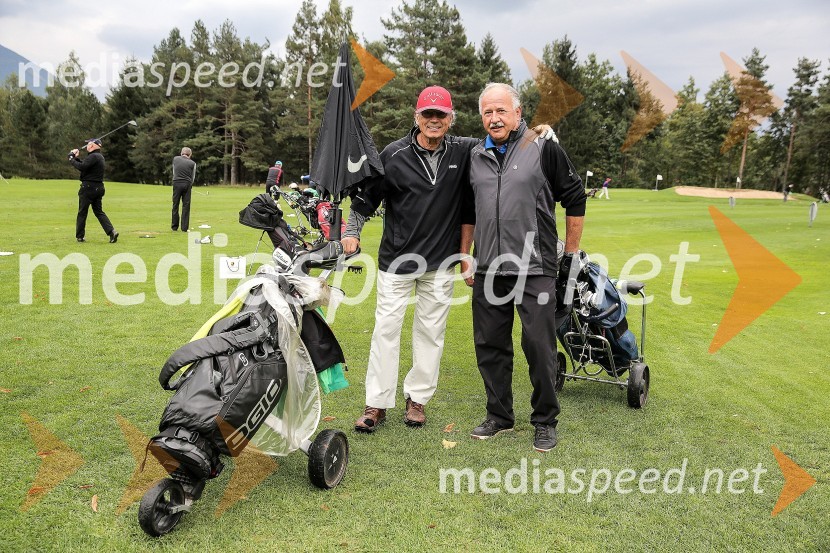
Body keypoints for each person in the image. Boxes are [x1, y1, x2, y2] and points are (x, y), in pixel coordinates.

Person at [344, 85, 555, 433]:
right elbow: (366, 200)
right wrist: (352, 232)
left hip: (441, 262)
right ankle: (376, 403)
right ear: (417, 117)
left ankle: (417, 400)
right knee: (386, 330)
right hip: (396, 260)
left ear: (450, 118)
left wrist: (532, 131)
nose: (433, 121)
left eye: (440, 115)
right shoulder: (393, 154)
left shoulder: (467, 151)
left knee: (430, 333)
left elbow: (501, 132)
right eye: (427, 115)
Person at [462, 82, 587, 452]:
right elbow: (469, 210)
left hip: (536, 266)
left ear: (518, 113)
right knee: (489, 345)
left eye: (502, 110)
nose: (495, 118)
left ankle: (545, 420)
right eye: (488, 112)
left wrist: (571, 254)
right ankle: (499, 416)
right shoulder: (474, 155)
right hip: (487, 266)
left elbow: (575, 195)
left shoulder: (543, 146)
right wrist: (465, 254)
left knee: (538, 344)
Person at [70, 138, 118, 243]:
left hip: (88, 188)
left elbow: (82, 167)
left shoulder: (93, 156)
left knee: (82, 212)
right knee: (99, 212)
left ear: (92, 146)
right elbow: (85, 166)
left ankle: (80, 236)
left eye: (88, 144)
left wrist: (71, 158)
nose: (87, 146)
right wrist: (75, 159)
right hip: (98, 188)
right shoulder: (99, 157)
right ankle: (112, 232)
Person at [171, 147, 197, 232]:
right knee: (186, 206)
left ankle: (174, 226)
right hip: (187, 184)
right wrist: (190, 185)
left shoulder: (175, 159)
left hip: (176, 183)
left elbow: (174, 172)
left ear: (181, 153)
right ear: (190, 155)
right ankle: (184, 228)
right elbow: (193, 177)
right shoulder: (193, 163)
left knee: (175, 204)